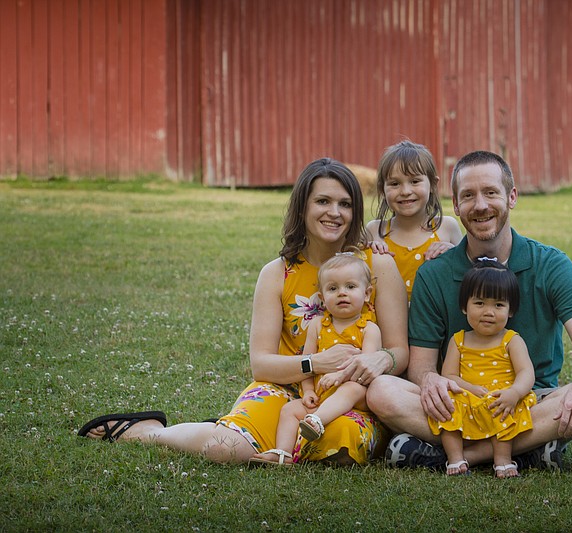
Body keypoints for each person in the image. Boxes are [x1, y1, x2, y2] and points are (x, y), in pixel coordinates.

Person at [78, 157, 409, 466]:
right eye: (323, 201)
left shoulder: (376, 265)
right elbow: (261, 364)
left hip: (353, 397)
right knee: (224, 449)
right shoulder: (277, 274)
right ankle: (148, 431)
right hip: (287, 389)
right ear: (303, 206)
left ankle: (268, 441)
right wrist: (316, 363)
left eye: (345, 204)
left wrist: (380, 359)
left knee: (340, 447)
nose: (335, 212)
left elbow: (399, 351)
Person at [367, 150, 572, 472]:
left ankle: (453, 456)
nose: (480, 205)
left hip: (530, 400)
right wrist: (430, 381)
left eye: (491, 192)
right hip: (460, 401)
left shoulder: (550, 264)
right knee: (383, 391)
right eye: (468, 196)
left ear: (512, 196)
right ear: (455, 204)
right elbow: (421, 365)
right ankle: (526, 450)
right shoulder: (434, 273)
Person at [251, 252, 382, 465]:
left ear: (367, 294)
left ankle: (317, 420)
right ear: (322, 298)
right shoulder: (318, 325)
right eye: (333, 288)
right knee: (290, 410)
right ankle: (283, 453)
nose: (342, 293)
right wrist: (309, 390)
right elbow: (307, 363)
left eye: (350, 287)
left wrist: (340, 376)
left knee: (353, 389)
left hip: (355, 393)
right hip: (323, 395)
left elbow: (365, 367)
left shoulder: (368, 329)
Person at [431, 259, 537, 478]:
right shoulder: (458, 340)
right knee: (449, 407)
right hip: (469, 396)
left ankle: (503, 461)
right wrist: (469, 388)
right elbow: (448, 375)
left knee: (503, 410)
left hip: (502, 395)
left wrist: (514, 393)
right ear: (464, 306)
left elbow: (526, 372)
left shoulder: (511, 340)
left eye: (498, 305)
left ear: (510, 311)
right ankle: (455, 458)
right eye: (479, 303)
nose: (489, 312)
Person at [366, 140, 462, 301]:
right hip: (386, 322)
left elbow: (467, 274)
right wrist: (370, 250)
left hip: (435, 322)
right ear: (383, 189)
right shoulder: (375, 230)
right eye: (395, 184)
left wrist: (453, 253)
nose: (405, 191)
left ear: (432, 184)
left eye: (415, 181)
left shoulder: (446, 227)